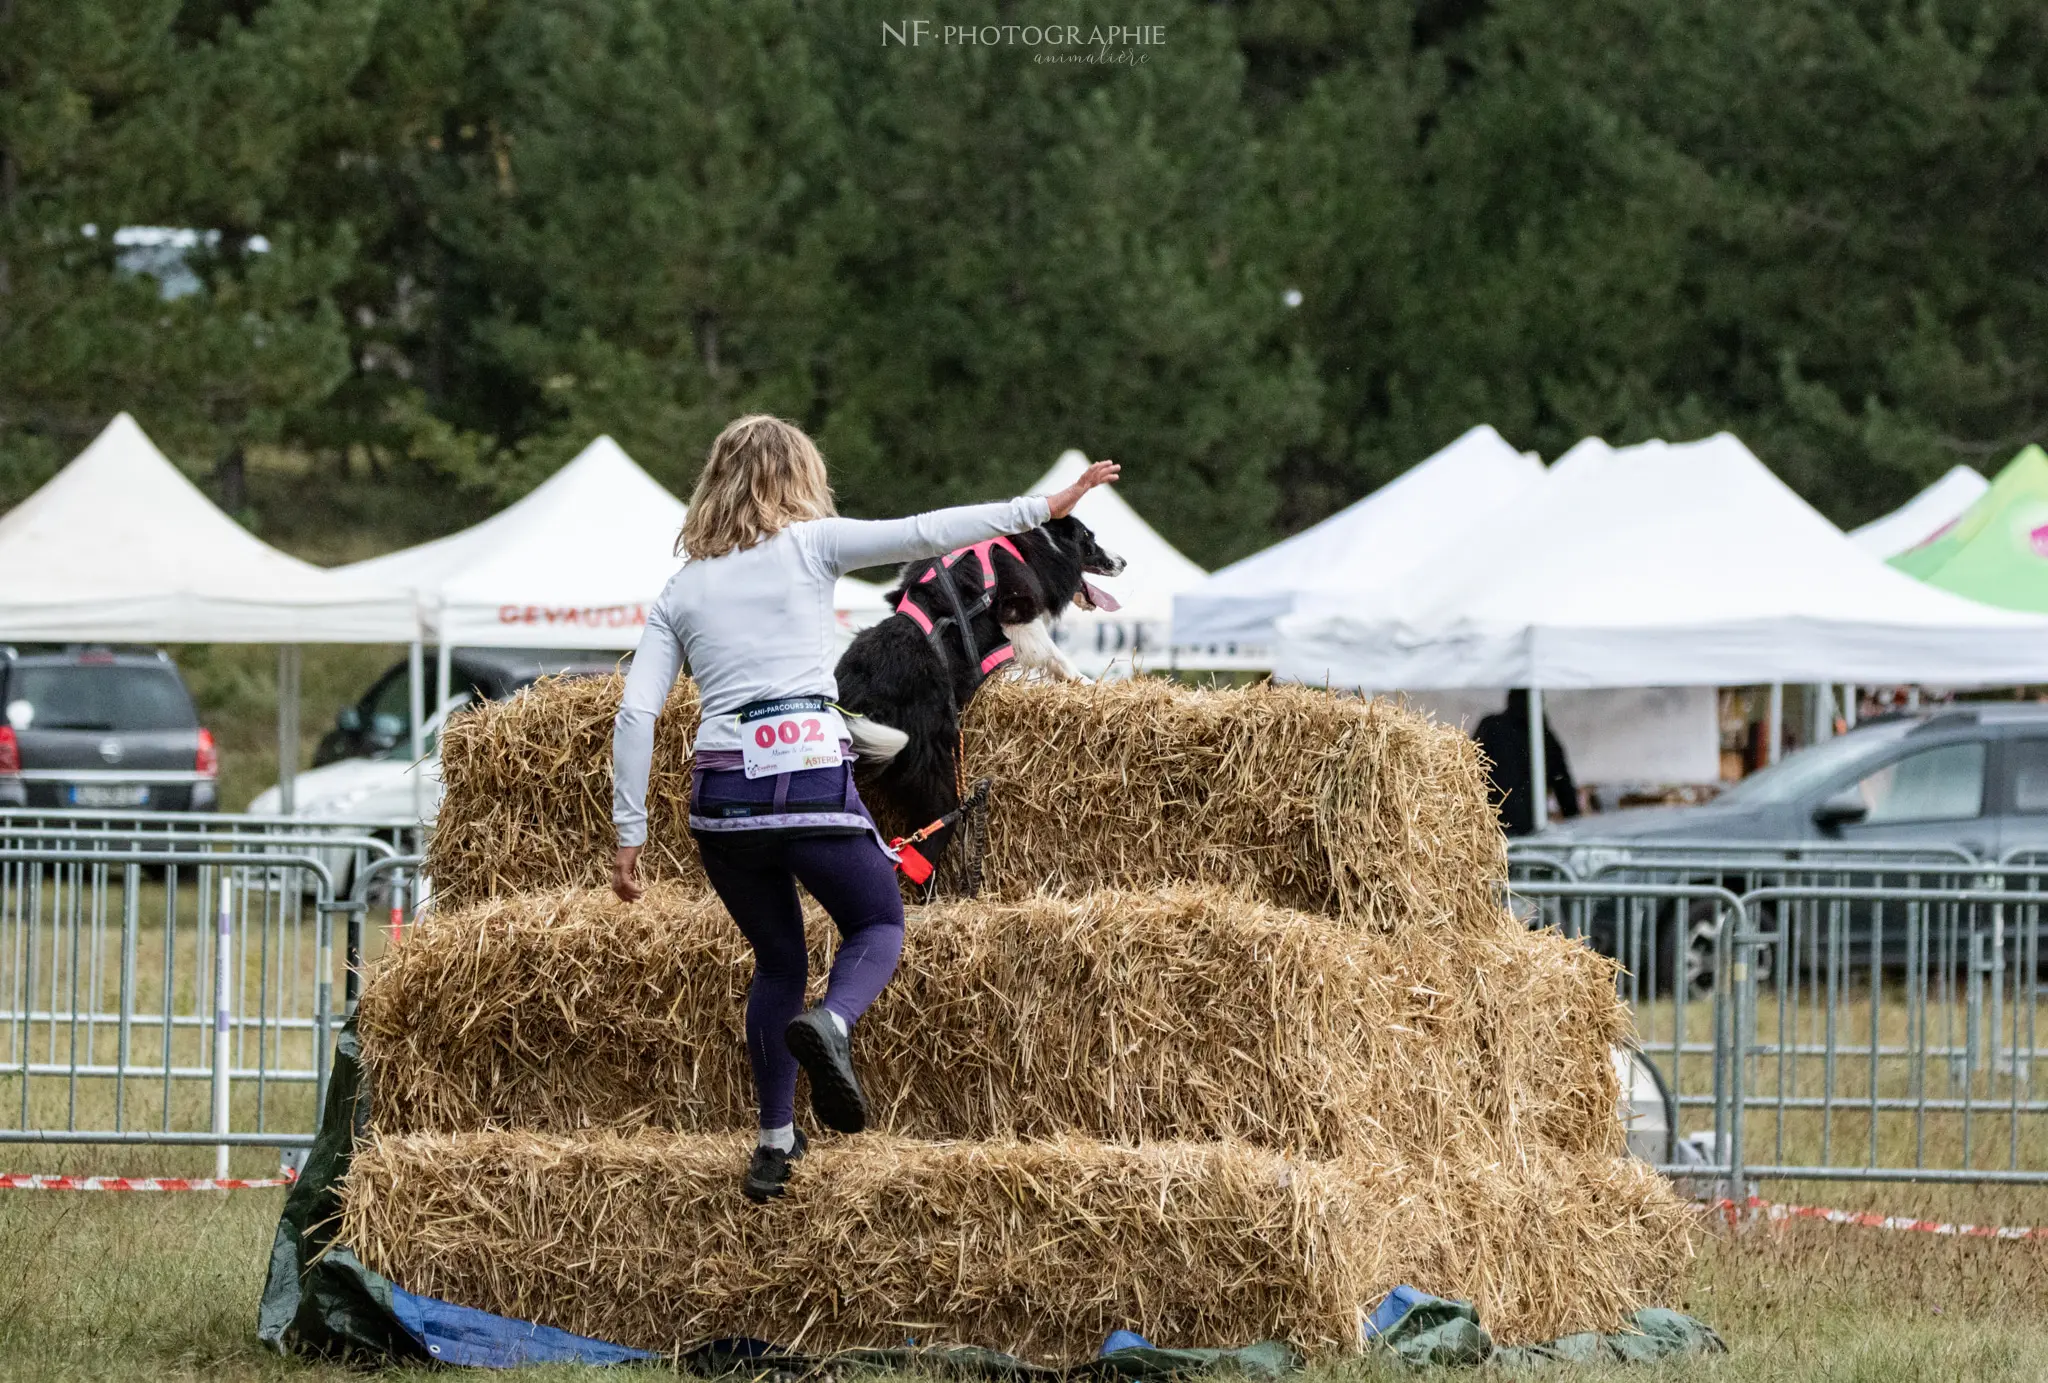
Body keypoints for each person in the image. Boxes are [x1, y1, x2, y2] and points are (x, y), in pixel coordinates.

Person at [610, 414, 1119, 1201]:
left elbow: (637, 713)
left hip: (721, 799)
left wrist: (628, 834)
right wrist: (1043, 506)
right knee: (878, 924)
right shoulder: (812, 546)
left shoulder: (683, 587)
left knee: (778, 959)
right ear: (800, 480)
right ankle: (836, 1021)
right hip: (808, 774)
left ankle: (774, 1141)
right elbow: (929, 528)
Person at [1470, 689, 1581, 837]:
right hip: (1529, 828)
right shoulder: (1543, 735)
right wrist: (1573, 817)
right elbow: (1562, 783)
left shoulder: (1491, 726)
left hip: (1491, 826)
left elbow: (1469, 770)